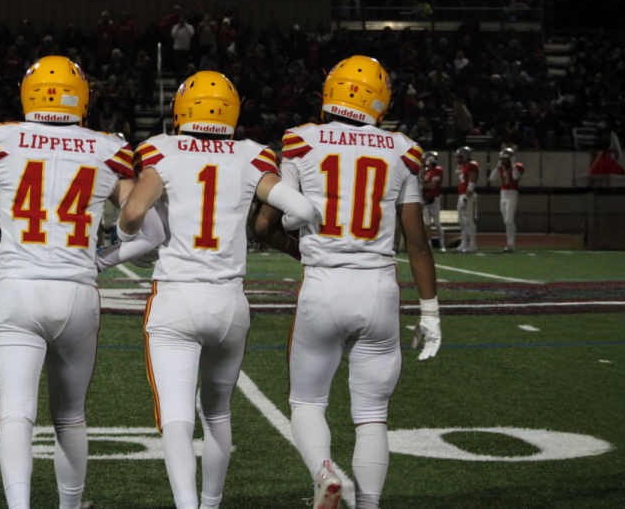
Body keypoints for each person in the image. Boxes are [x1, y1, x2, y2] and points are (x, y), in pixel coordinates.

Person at [0, 56, 155, 509]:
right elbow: (153, 232)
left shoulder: (3, 139)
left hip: (16, 288)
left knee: (16, 413)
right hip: (76, 291)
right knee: (71, 418)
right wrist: (102, 261)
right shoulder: (105, 147)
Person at [102, 71, 316, 509]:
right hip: (228, 301)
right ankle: (212, 503)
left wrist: (124, 239)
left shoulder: (162, 149)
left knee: (177, 420)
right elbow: (302, 208)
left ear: (182, 109)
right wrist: (291, 230)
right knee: (217, 413)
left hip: (177, 297)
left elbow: (133, 213)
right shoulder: (250, 154)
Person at [255, 55, 440, 509]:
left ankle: (324, 473)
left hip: (323, 284)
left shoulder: (301, 142)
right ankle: (370, 504)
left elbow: (264, 226)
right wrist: (431, 312)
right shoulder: (402, 150)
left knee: (307, 402)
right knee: (373, 416)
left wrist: (302, 249)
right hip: (378, 288)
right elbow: (417, 243)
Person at [489, 147, 524, 252]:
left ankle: (511, 245)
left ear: (511, 159)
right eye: (502, 159)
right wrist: (497, 166)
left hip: (512, 194)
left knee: (509, 220)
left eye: (505, 159)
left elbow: (515, 177)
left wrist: (513, 165)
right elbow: (491, 179)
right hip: (503, 194)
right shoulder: (501, 167)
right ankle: (509, 244)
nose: (503, 161)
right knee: (506, 221)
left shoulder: (517, 166)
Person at [420, 151, 446, 252]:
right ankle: (429, 245)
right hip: (426, 199)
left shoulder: (437, 170)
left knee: (437, 223)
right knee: (427, 224)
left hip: (434, 199)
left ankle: (442, 245)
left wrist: (420, 183)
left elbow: (432, 186)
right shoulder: (426, 171)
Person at [455, 146, 479, 253]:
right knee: (462, 221)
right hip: (462, 194)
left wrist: (466, 196)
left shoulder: (472, 165)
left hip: (468, 195)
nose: (457, 159)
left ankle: (472, 244)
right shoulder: (463, 166)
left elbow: (472, 183)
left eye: (460, 157)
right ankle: (464, 243)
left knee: (469, 220)